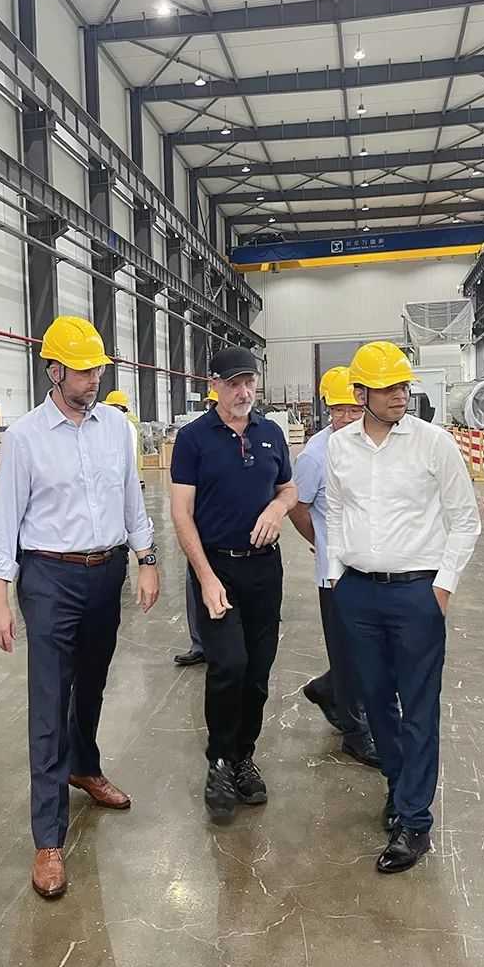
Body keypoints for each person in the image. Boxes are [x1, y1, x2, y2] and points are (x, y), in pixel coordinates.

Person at [0, 316, 159, 900]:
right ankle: (48, 838)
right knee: (49, 699)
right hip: (49, 577)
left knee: (92, 683)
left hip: (105, 572)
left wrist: (146, 557)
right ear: (54, 371)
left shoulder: (117, 429)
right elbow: (6, 519)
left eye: (97, 369)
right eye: (82, 370)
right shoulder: (26, 437)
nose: (92, 378)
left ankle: (84, 766)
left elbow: (131, 496)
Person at [326, 341, 480, 874]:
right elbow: (335, 510)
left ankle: (415, 821)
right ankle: (398, 786)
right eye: (387, 388)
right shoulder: (340, 447)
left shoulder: (434, 444)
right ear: (360, 394)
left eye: (403, 386)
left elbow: (465, 519)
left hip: (418, 594)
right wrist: (337, 574)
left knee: (419, 706)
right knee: (375, 701)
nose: (399, 396)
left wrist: (443, 586)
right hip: (358, 593)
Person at [170, 347, 297, 821]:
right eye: (234, 383)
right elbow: (181, 513)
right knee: (228, 665)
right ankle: (219, 762)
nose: (244, 392)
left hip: (264, 571)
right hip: (217, 568)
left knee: (258, 672)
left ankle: (244, 756)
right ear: (215, 385)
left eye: (250, 382)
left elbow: (288, 487)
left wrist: (278, 508)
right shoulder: (193, 439)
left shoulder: (271, 433)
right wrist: (205, 577)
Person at [289, 367, 378, 767]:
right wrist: (320, 541)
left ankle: (327, 688)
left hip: (373, 566)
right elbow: (298, 507)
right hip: (336, 574)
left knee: (367, 651)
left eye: (352, 409)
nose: (345, 417)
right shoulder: (314, 455)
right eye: (337, 409)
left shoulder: (370, 444)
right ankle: (355, 735)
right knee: (348, 653)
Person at [173, 391, 217, 669]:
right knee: (196, 586)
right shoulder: (195, 437)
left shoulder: (254, 432)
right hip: (203, 532)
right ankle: (200, 644)